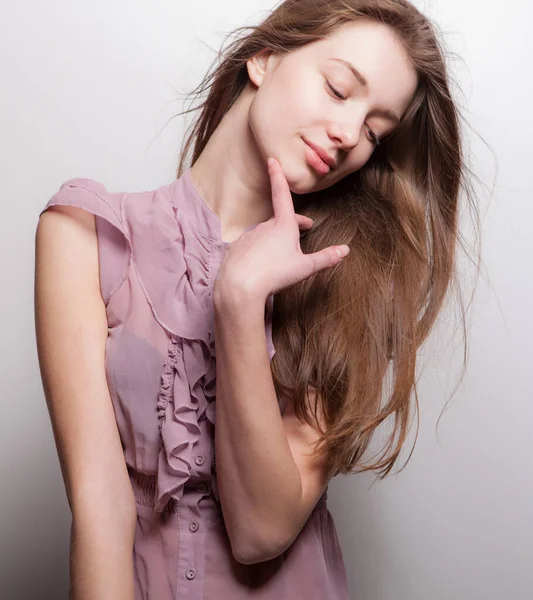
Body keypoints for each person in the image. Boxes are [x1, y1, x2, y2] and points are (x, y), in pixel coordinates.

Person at [34, 0, 479, 598]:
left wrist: (240, 302)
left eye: (375, 131)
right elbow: (99, 506)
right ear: (266, 59)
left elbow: (260, 531)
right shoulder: (87, 234)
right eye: (338, 88)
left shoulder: (347, 280)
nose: (349, 134)